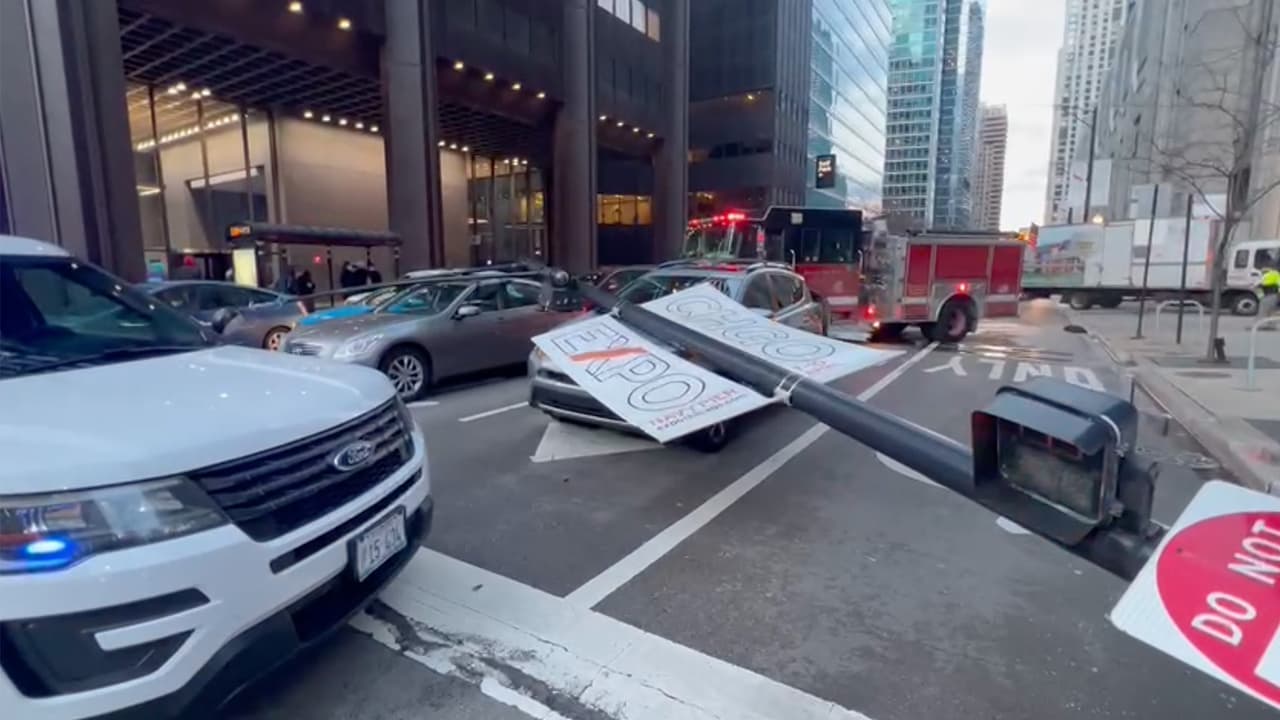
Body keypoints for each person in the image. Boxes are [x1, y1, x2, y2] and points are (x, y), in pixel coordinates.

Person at [1259, 263, 1280, 328]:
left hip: (1270, 295)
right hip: (1271, 295)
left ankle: (1264, 325)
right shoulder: (1272, 274)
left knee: (1265, 311)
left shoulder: (1273, 274)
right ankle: (1271, 325)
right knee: (1271, 311)